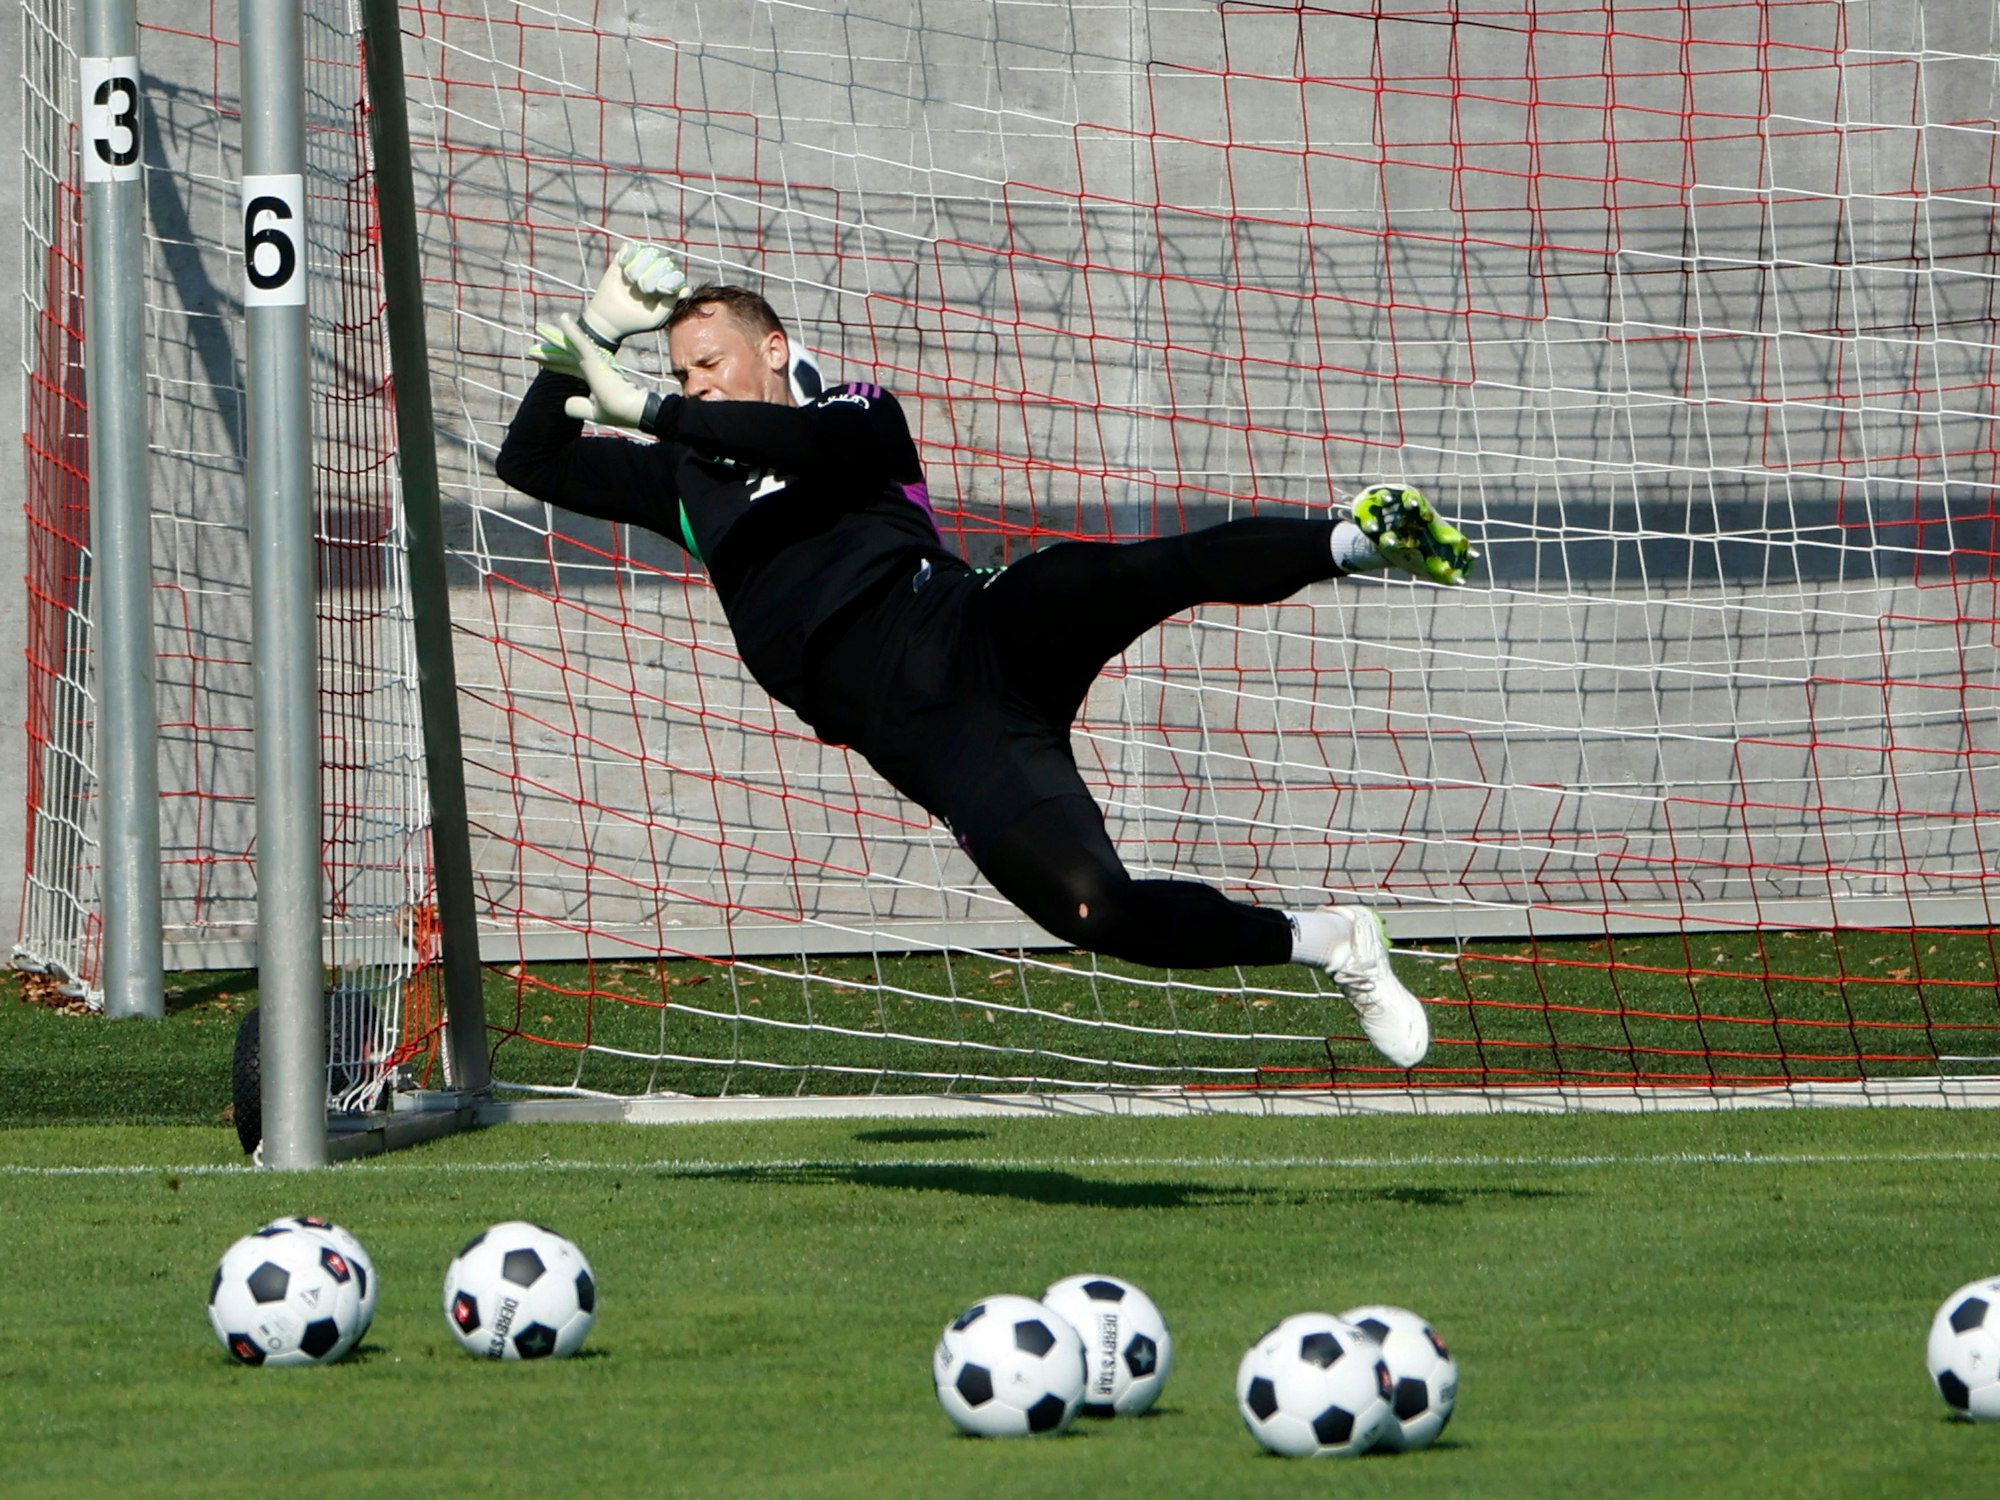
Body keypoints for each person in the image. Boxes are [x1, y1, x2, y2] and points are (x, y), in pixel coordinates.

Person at [494, 245, 1476, 1068]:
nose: (694, 383)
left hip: (975, 631)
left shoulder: (856, 412)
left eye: (709, 362)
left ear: (773, 349)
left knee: (1107, 576)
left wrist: (647, 407)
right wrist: (597, 327)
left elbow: (803, 445)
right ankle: (1335, 943)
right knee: (1095, 909)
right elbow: (528, 462)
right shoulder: (680, 478)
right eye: (681, 374)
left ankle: (1353, 539)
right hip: (938, 745)